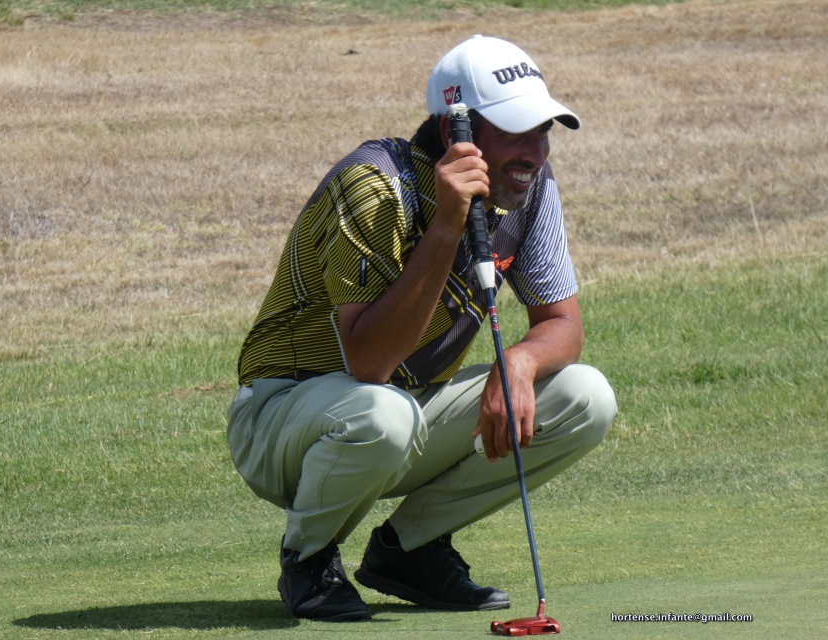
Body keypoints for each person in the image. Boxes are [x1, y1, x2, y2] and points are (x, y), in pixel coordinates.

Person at [226, 34, 617, 622]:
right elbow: (369, 365)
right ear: (455, 129)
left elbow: (562, 325)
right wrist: (447, 230)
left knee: (585, 396)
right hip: (283, 419)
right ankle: (307, 560)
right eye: (516, 131)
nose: (535, 152)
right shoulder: (375, 187)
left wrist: (520, 362)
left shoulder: (528, 186)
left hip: (402, 410)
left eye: (544, 132)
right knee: (383, 413)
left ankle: (408, 551)